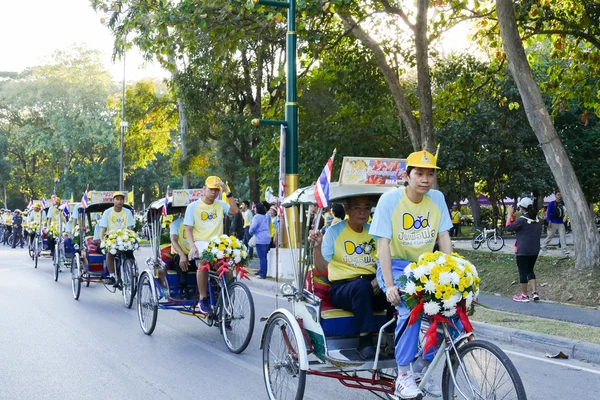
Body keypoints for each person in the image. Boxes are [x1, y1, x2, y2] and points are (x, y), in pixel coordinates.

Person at [369, 149, 453, 399]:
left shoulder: (437, 199)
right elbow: (382, 244)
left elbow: (444, 238)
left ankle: (422, 369)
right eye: (419, 173)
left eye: (430, 174)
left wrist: (451, 273)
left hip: (425, 266)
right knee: (410, 309)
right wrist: (390, 285)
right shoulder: (390, 201)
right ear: (407, 175)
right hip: (394, 265)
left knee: (450, 313)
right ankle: (403, 375)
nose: (425, 179)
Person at [309, 195, 392, 360]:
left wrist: (380, 279)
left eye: (367, 208)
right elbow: (321, 267)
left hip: (372, 284)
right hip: (343, 288)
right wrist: (317, 247)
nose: (362, 212)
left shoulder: (374, 232)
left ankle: (392, 336)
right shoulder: (334, 232)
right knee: (362, 286)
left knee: (395, 290)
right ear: (347, 209)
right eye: (357, 208)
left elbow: (385, 259)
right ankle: (365, 341)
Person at [184, 176, 239, 314]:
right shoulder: (193, 207)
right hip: (201, 242)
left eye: (216, 190)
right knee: (204, 262)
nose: (214, 193)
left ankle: (226, 301)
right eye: (211, 189)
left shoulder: (220, 204)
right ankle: (203, 298)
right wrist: (192, 246)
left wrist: (227, 191)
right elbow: (188, 229)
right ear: (204, 189)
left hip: (218, 243)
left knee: (228, 269)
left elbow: (235, 211)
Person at [506, 198, 542, 302]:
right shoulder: (538, 219)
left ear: (522, 208)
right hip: (534, 250)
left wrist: (509, 215)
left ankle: (524, 295)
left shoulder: (522, 220)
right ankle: (534, 293)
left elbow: (508, 228)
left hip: (522, 250)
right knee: (530, 270)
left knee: (522, 272)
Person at [98, 192, 135, 286]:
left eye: (121, 199)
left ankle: (129, 271)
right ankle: (112, 276)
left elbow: (130, 228)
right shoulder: (107, 212)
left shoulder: (127, 212)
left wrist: (132, 239)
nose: (119, 201)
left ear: (124, 201)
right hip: (111, 237)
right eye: (117, 199)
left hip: (125, 237)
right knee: (110, 254)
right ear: (113, 200)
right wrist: (103, 240)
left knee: (130, 256)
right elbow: (104, 229)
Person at [169, 213, 195, 298]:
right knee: (180, 259)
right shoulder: (176, 224)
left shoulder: (199, 222)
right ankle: (183, 287)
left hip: (196, 255)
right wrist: (182, 255)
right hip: (181, 254)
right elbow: (174, 240)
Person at [249, 203, 271, 279]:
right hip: (267, 237)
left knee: (261, 257)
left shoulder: (256, 217)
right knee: (264, 256)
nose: (254, 209)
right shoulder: (265, 216)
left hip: (260, 238)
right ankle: (262, 270)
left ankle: (262, 274)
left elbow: (253, 227)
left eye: (255, 208)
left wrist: (251, 232)